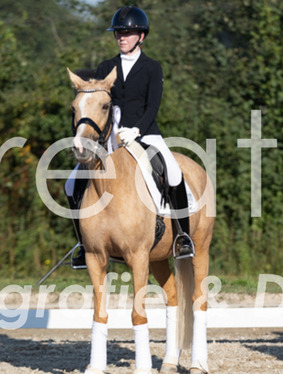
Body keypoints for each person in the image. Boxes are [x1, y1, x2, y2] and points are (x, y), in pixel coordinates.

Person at [67, 5, 195, 269]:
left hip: (145, 134)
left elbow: (153, 106)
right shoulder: (106, 66)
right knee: (71, 184)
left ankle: (182, 237)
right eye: (118, 33)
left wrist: (136, 130)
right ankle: (83, 244)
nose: (121, 37)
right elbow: (96, 102)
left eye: (127, 33)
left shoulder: (152, 68)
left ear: (141, 36)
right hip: (110, 138)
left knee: (173, 173)